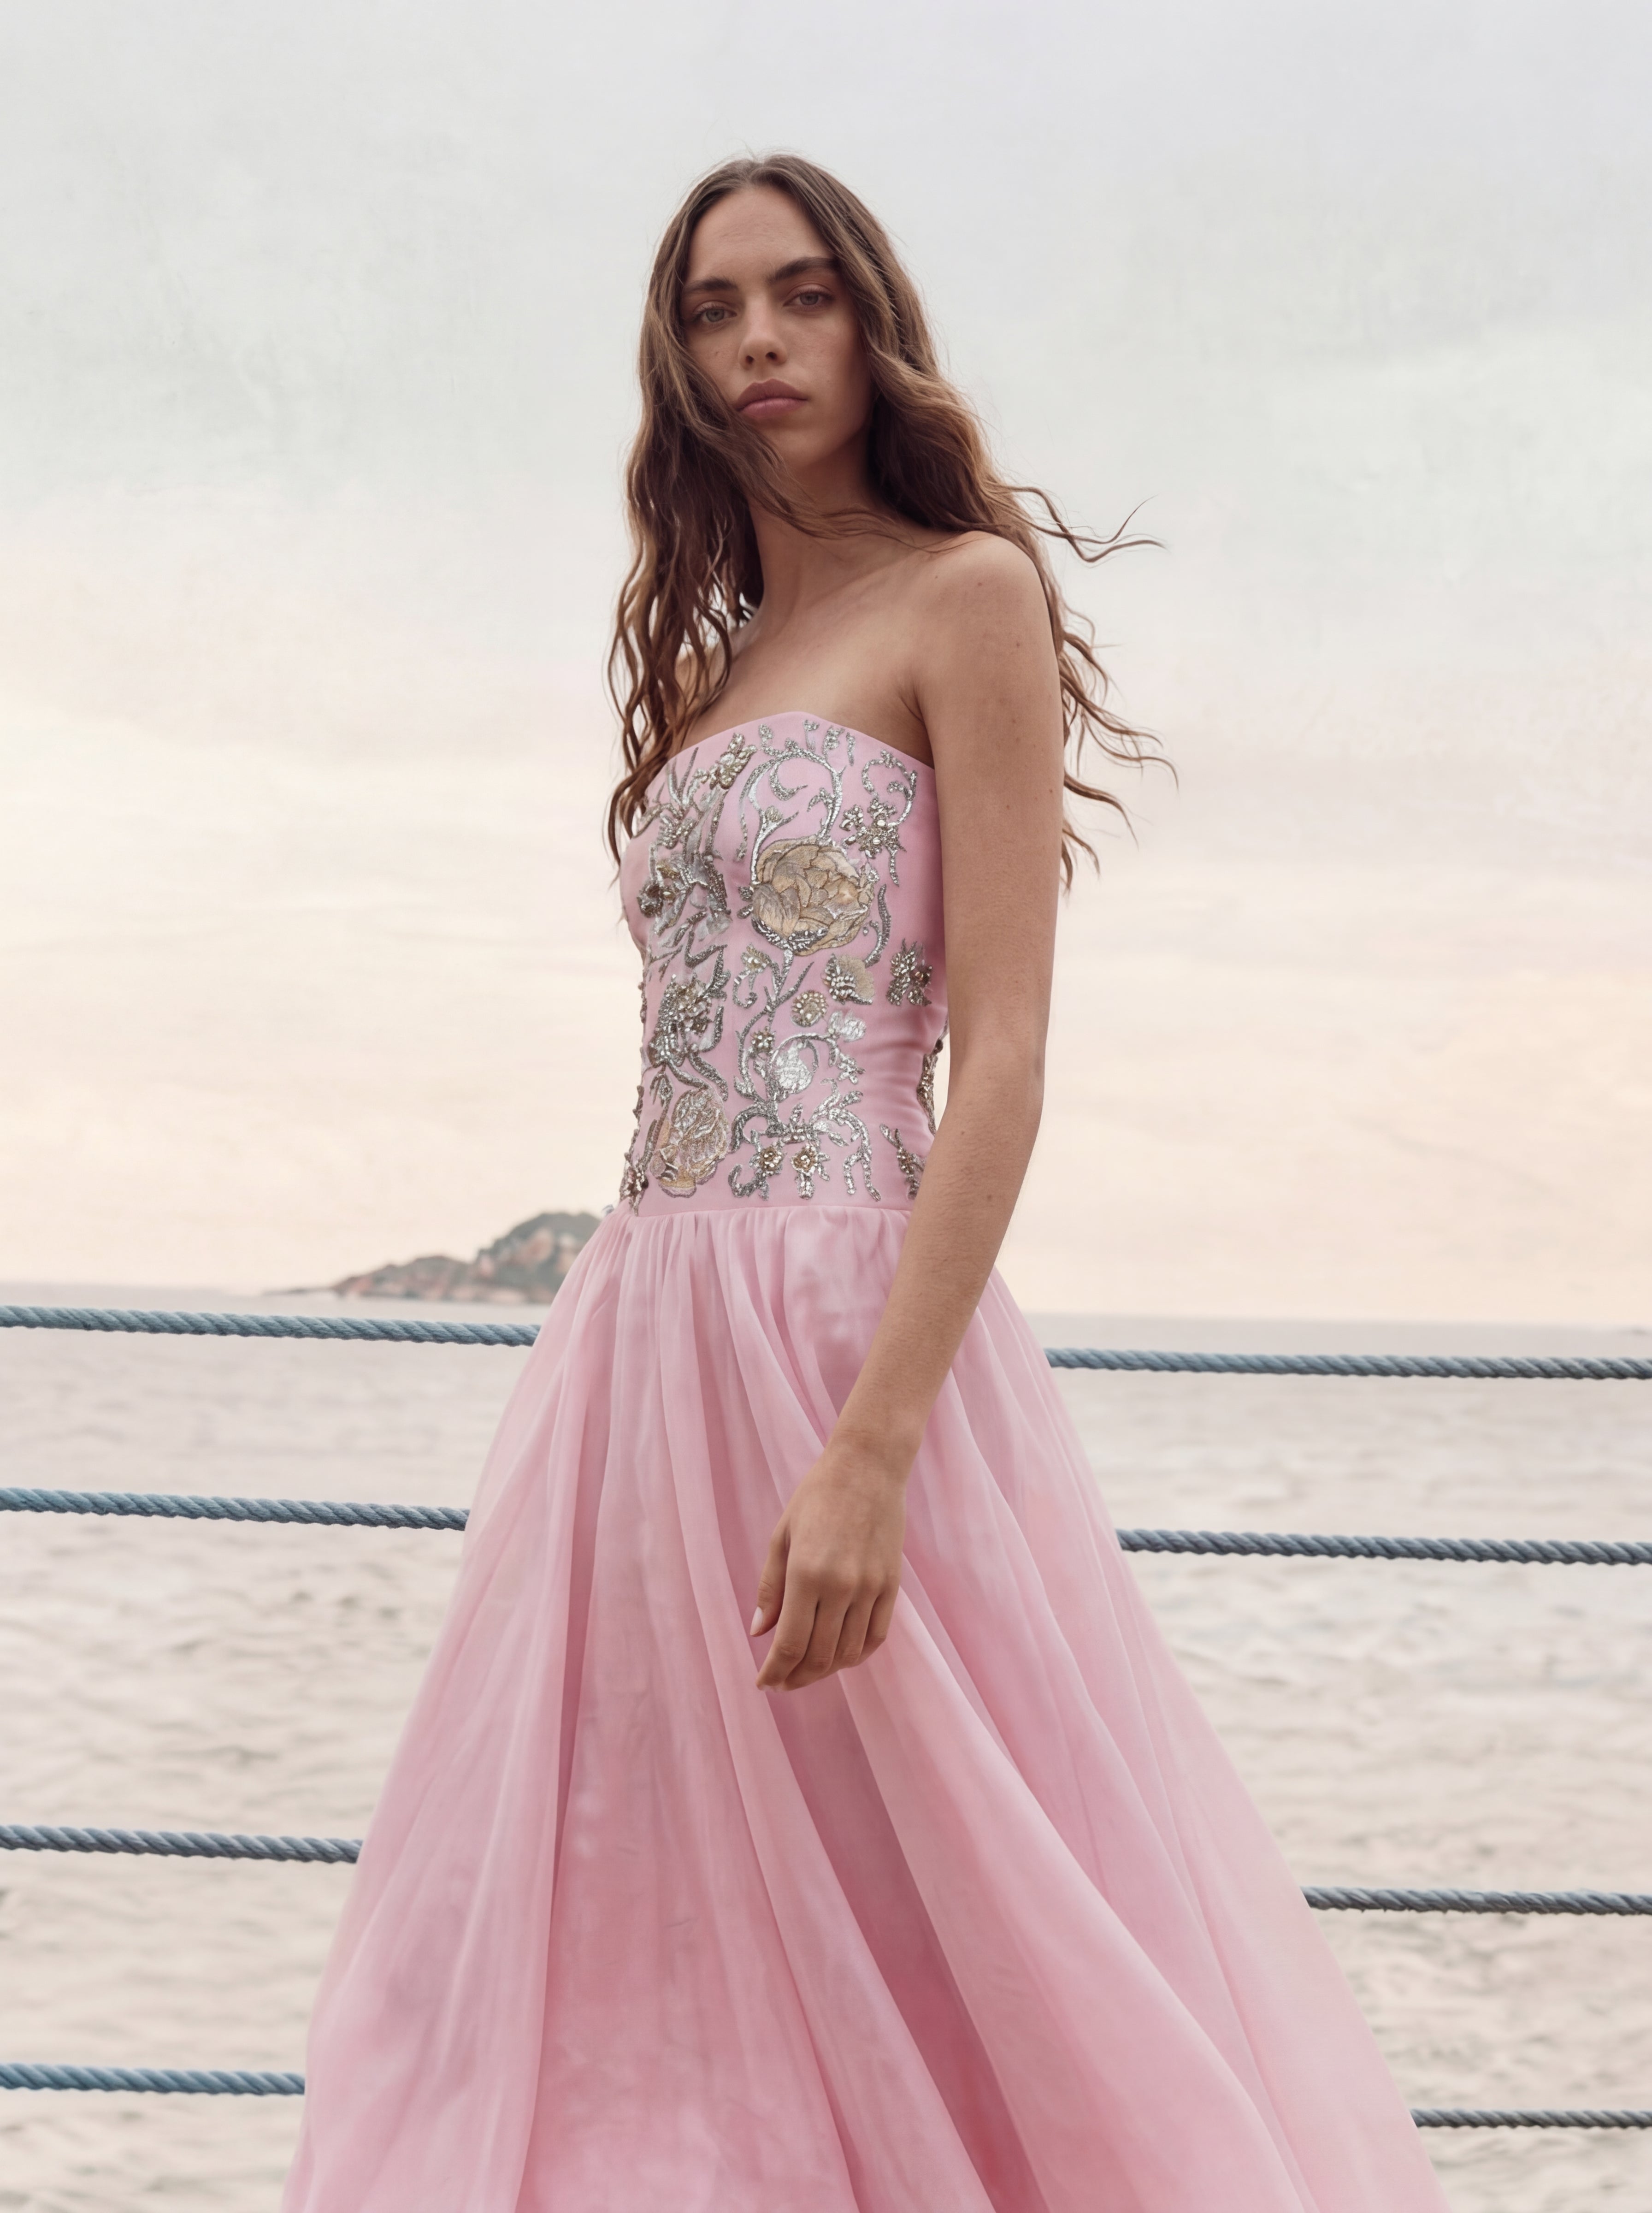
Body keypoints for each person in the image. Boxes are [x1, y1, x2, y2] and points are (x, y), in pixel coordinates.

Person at [284, 154, 1448, 2212]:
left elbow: (997, 1052)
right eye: (715, 309)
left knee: (953, 1905)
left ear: (865, 318)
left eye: (799, 297)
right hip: (641, 1347)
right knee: (626, 1920)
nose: (756, 342)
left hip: (846, 1330)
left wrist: (874, 1445)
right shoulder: (717, 666)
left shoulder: (961, 597)